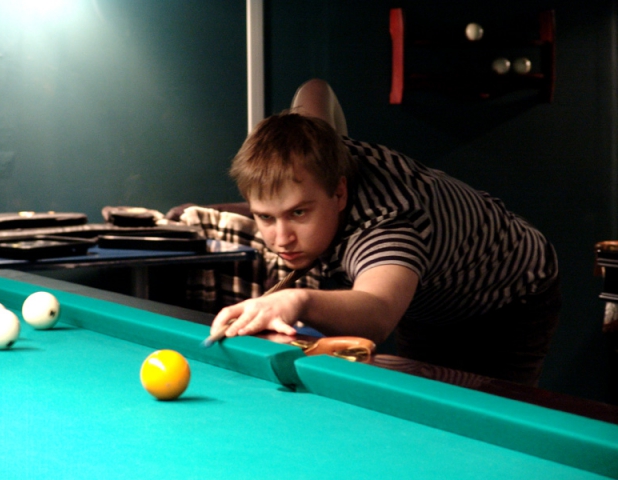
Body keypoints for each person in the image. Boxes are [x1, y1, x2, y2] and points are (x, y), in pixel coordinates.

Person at [205, 79, 561, 386]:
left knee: (485, 419)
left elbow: (377, 313)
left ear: (339, 193)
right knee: (421, 401)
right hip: (426, 293)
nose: (282, 239)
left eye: (298, 213)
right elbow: (316, 89)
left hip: (509, 297)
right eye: (265, 217)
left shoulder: (386, 225)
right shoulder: (318, 147)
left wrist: (297, 300)